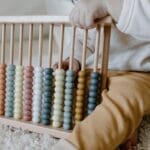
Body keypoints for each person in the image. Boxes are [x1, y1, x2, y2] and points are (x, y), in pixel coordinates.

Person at [52, 0, 150, 149]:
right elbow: (83, 35)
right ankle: (124, 126)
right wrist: (73, 58)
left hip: (135, 71)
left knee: (125, 100)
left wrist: (107, 4)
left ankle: (78, 145)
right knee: (59, 92)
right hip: (95, 68)